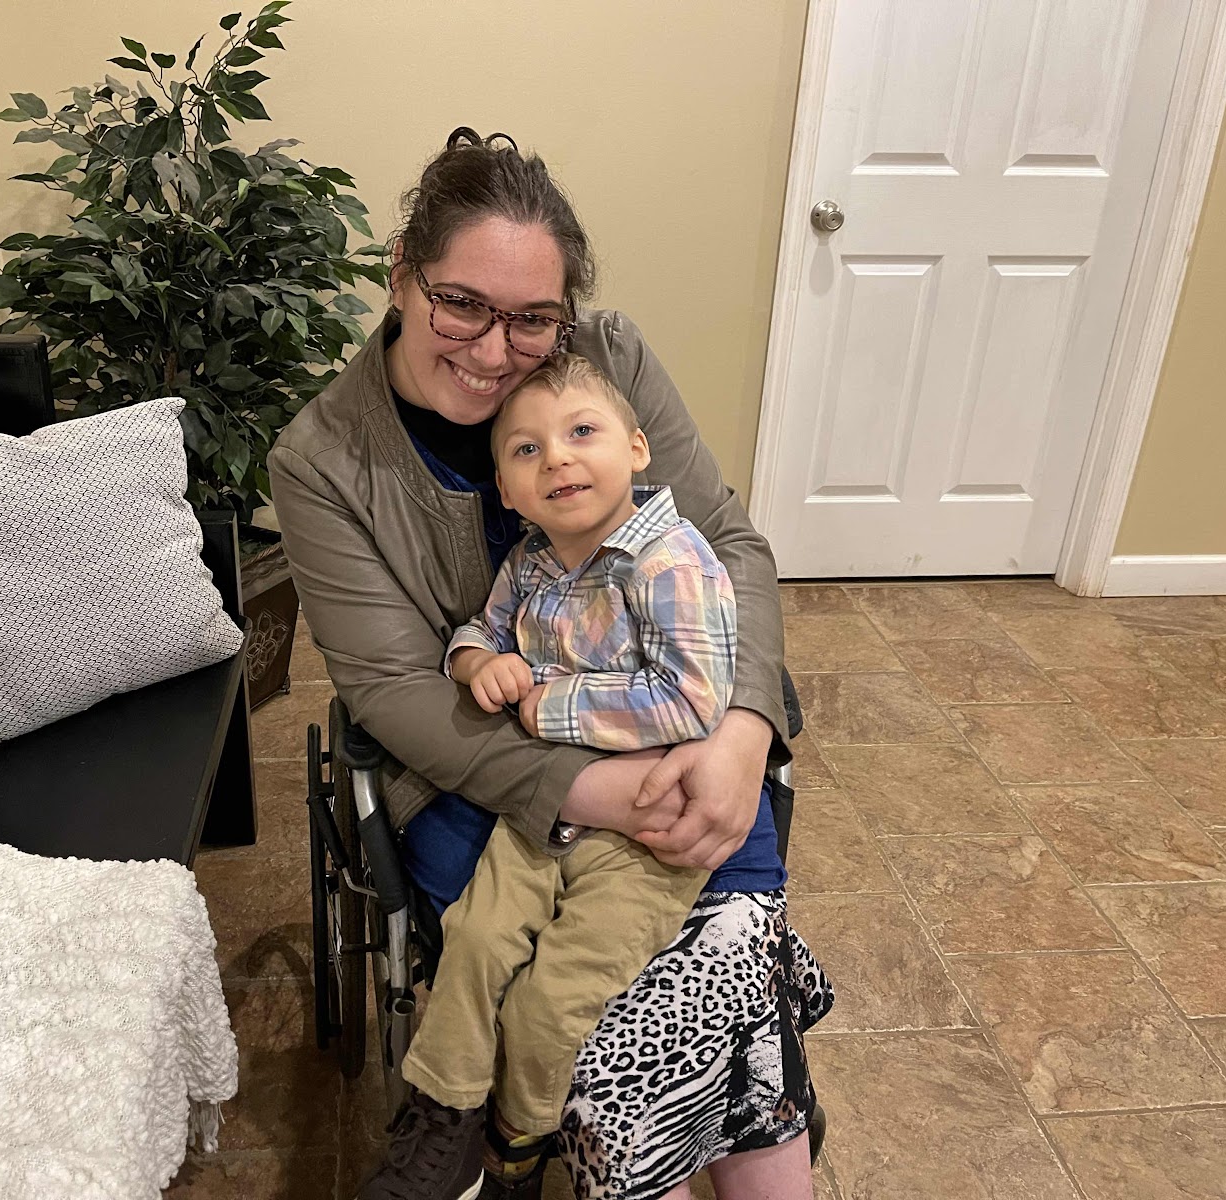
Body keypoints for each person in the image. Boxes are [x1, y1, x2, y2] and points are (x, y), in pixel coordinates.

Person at [270, 128, 828, 1200]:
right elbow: (393, 689)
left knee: (716, 953)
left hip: (673, 733)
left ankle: (722, 1098)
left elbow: (728, 544)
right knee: (601, 1006)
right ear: (401, 274)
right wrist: (586, 788)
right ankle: (513, 1118)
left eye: (533, 318)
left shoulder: (609, 359)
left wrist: (743, 731)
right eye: (461, 305)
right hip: (476, 763)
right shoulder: (322, 459)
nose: (495, 351)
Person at [383, 352, 737, 1199]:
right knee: (473, 942)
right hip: (544, 810)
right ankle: (444, 1105)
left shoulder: (671, 564)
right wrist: (477, 664)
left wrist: (547, 705)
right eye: (527, 450)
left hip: (645, 837)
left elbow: (692, 699)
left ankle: (519, 1137)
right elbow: (481, 630)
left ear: (636, 448)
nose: (558, 459)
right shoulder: (531, 562)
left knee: (550, 1000)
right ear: (508, 491)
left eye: (582, 432)